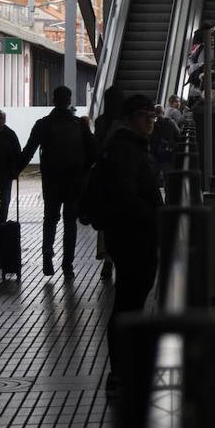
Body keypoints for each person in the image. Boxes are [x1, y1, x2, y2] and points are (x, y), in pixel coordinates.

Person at [103, 93, 163, 396]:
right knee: (128, 305)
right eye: (145, 117)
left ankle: (127, 368)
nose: (151, 122)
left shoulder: (129, 145)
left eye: (153, 117)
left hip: (131, 236)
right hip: (132, 238)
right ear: (128, 119)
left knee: (131, 303)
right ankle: (121, 372)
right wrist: (154, 217)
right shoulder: (125, 149)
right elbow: (127, 196)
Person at [18, 86, 95, 277]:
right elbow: (93, 152)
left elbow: (28, 150)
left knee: (50, 219)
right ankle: (67, 265)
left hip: (52, 181)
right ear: (69, 101)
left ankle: (47, 257)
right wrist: (84, 170)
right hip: (74, 182)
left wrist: (14, 170)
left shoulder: (43, 124)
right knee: (70, 223)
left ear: (54, 100)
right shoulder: (80, 125)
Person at [92, 85, 125, 281]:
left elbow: (96, 149)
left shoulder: (101, 122)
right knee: (123, 220)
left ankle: (108, 260)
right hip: (124, 178)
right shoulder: (127, 121)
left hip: (105, 179)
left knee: (107, 222)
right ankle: (121, 258)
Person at [149, 105, 180, 184]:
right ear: (163, 112)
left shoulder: (150, 123)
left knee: (152, 178)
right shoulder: (171, 122)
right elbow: (178, 136)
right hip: (167, 154)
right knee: (168, 179)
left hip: (153, 154)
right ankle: (169, 195)